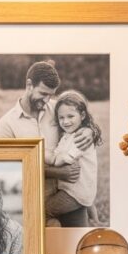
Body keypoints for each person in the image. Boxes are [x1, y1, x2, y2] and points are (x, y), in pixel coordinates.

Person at [0, 59, 96, 227]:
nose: (47, 99)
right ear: (29, 85)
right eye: (43, 93)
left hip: (69, 194)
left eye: (51, 94)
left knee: (77, 246)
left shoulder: (57, 109)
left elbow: (82, 120)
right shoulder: (6, 124)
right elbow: (12, 169)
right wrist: (57, 172)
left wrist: (90, 131)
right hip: (35, 201)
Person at [45, 90, 102, 226]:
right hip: (81, 189)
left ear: (82, 115)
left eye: (70, 116)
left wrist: (51, 158)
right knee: (87, 201)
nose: (65, 121)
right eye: (61, 118)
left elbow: (62, 159)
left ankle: (56, 228)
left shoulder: (79, 137)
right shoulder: (67, 135)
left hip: (73, 193)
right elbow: (57, 152)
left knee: (45, 210)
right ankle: (95, 220)